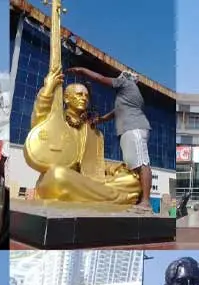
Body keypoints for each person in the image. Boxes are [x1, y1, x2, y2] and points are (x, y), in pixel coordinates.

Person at [65, 67, 153, 213]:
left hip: (134, 129)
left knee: (142, 163)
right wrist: (100, 120)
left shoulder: (126, 83)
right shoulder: (128, 96)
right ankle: (140, 201)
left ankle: (145, 202)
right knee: (134, 167)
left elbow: (100, 78)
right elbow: (115, 112)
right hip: (128, 130)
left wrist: (83, 70)